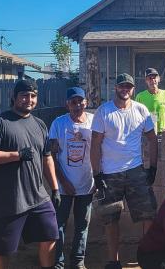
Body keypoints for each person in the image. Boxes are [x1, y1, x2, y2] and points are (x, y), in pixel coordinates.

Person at [0, 79, 61, 269]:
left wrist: (55, 188)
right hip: (8, 200)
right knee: (2, 249)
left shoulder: (40, 125)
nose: (28, 100)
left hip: (38, 196)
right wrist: (17, 155)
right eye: (24, 95)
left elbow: (46, 157)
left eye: (33, 96)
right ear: (13, 97)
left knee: (50, 235)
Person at [91, 73, 159, 269]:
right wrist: (96, 174)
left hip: (136, 171)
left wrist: (152, 167)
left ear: (133, 89)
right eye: (122, 86)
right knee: (111, 219)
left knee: (148, 215)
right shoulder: (104, 112)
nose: (125, 90)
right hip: (110, 174)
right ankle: (114, 261)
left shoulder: (141, 110)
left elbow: (152, 139)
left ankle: (146, 255)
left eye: (128, 87)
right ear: (116, 88)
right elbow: (95, 145)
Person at [48, 87, 95, 269]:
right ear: (67, 104)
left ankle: (78, 261)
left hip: (87, 184)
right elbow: (51, 155)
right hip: (63, 185)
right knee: (58, 225)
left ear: (86, 102)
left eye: (80, 101)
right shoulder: (58, 124)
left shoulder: (93, 121)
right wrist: (64, 182)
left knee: (82, 225)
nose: (77, 105)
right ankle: (58, 263)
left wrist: (97, 178)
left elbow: (99, 152)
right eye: (73, 102)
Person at [135, 67, 165, 136]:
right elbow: (136, 117)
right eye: (150, 78)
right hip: (147, 134)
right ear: (146, 81)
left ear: (159, 79)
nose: (153, 80)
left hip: (164, 133)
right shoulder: (140, 96)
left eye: (154, 77)